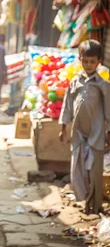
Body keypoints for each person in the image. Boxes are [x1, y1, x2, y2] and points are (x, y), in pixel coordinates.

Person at [59, 40, 110, 215]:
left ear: (99, 62)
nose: (88, 65)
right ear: (80, 59)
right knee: (78, 171)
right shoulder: (75, 82)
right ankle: (84, 201)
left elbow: (109, 111)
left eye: (92, 62)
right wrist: (63, 127)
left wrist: (108, 131)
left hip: (96, 135)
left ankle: (95, 206)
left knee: (94, 173)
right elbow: (67, 106)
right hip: (78, 134)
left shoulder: (103, 85)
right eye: (85, 61)